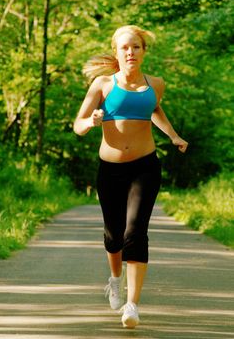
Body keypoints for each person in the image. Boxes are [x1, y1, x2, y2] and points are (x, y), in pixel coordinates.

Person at [73, 25, 188, 329]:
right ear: (116, 52)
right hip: (110, 169)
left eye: (136, 47)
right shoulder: (103, 85)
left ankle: (132, 304)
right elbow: (77, 124)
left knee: (135, 233)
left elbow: (155, 109)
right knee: (114, 235)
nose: (130, 52)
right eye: (125, 47)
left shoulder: (156, 84)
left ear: (143, 51)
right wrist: (92, 121)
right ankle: (115, 279)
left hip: (145, 167)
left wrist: (174, 135)